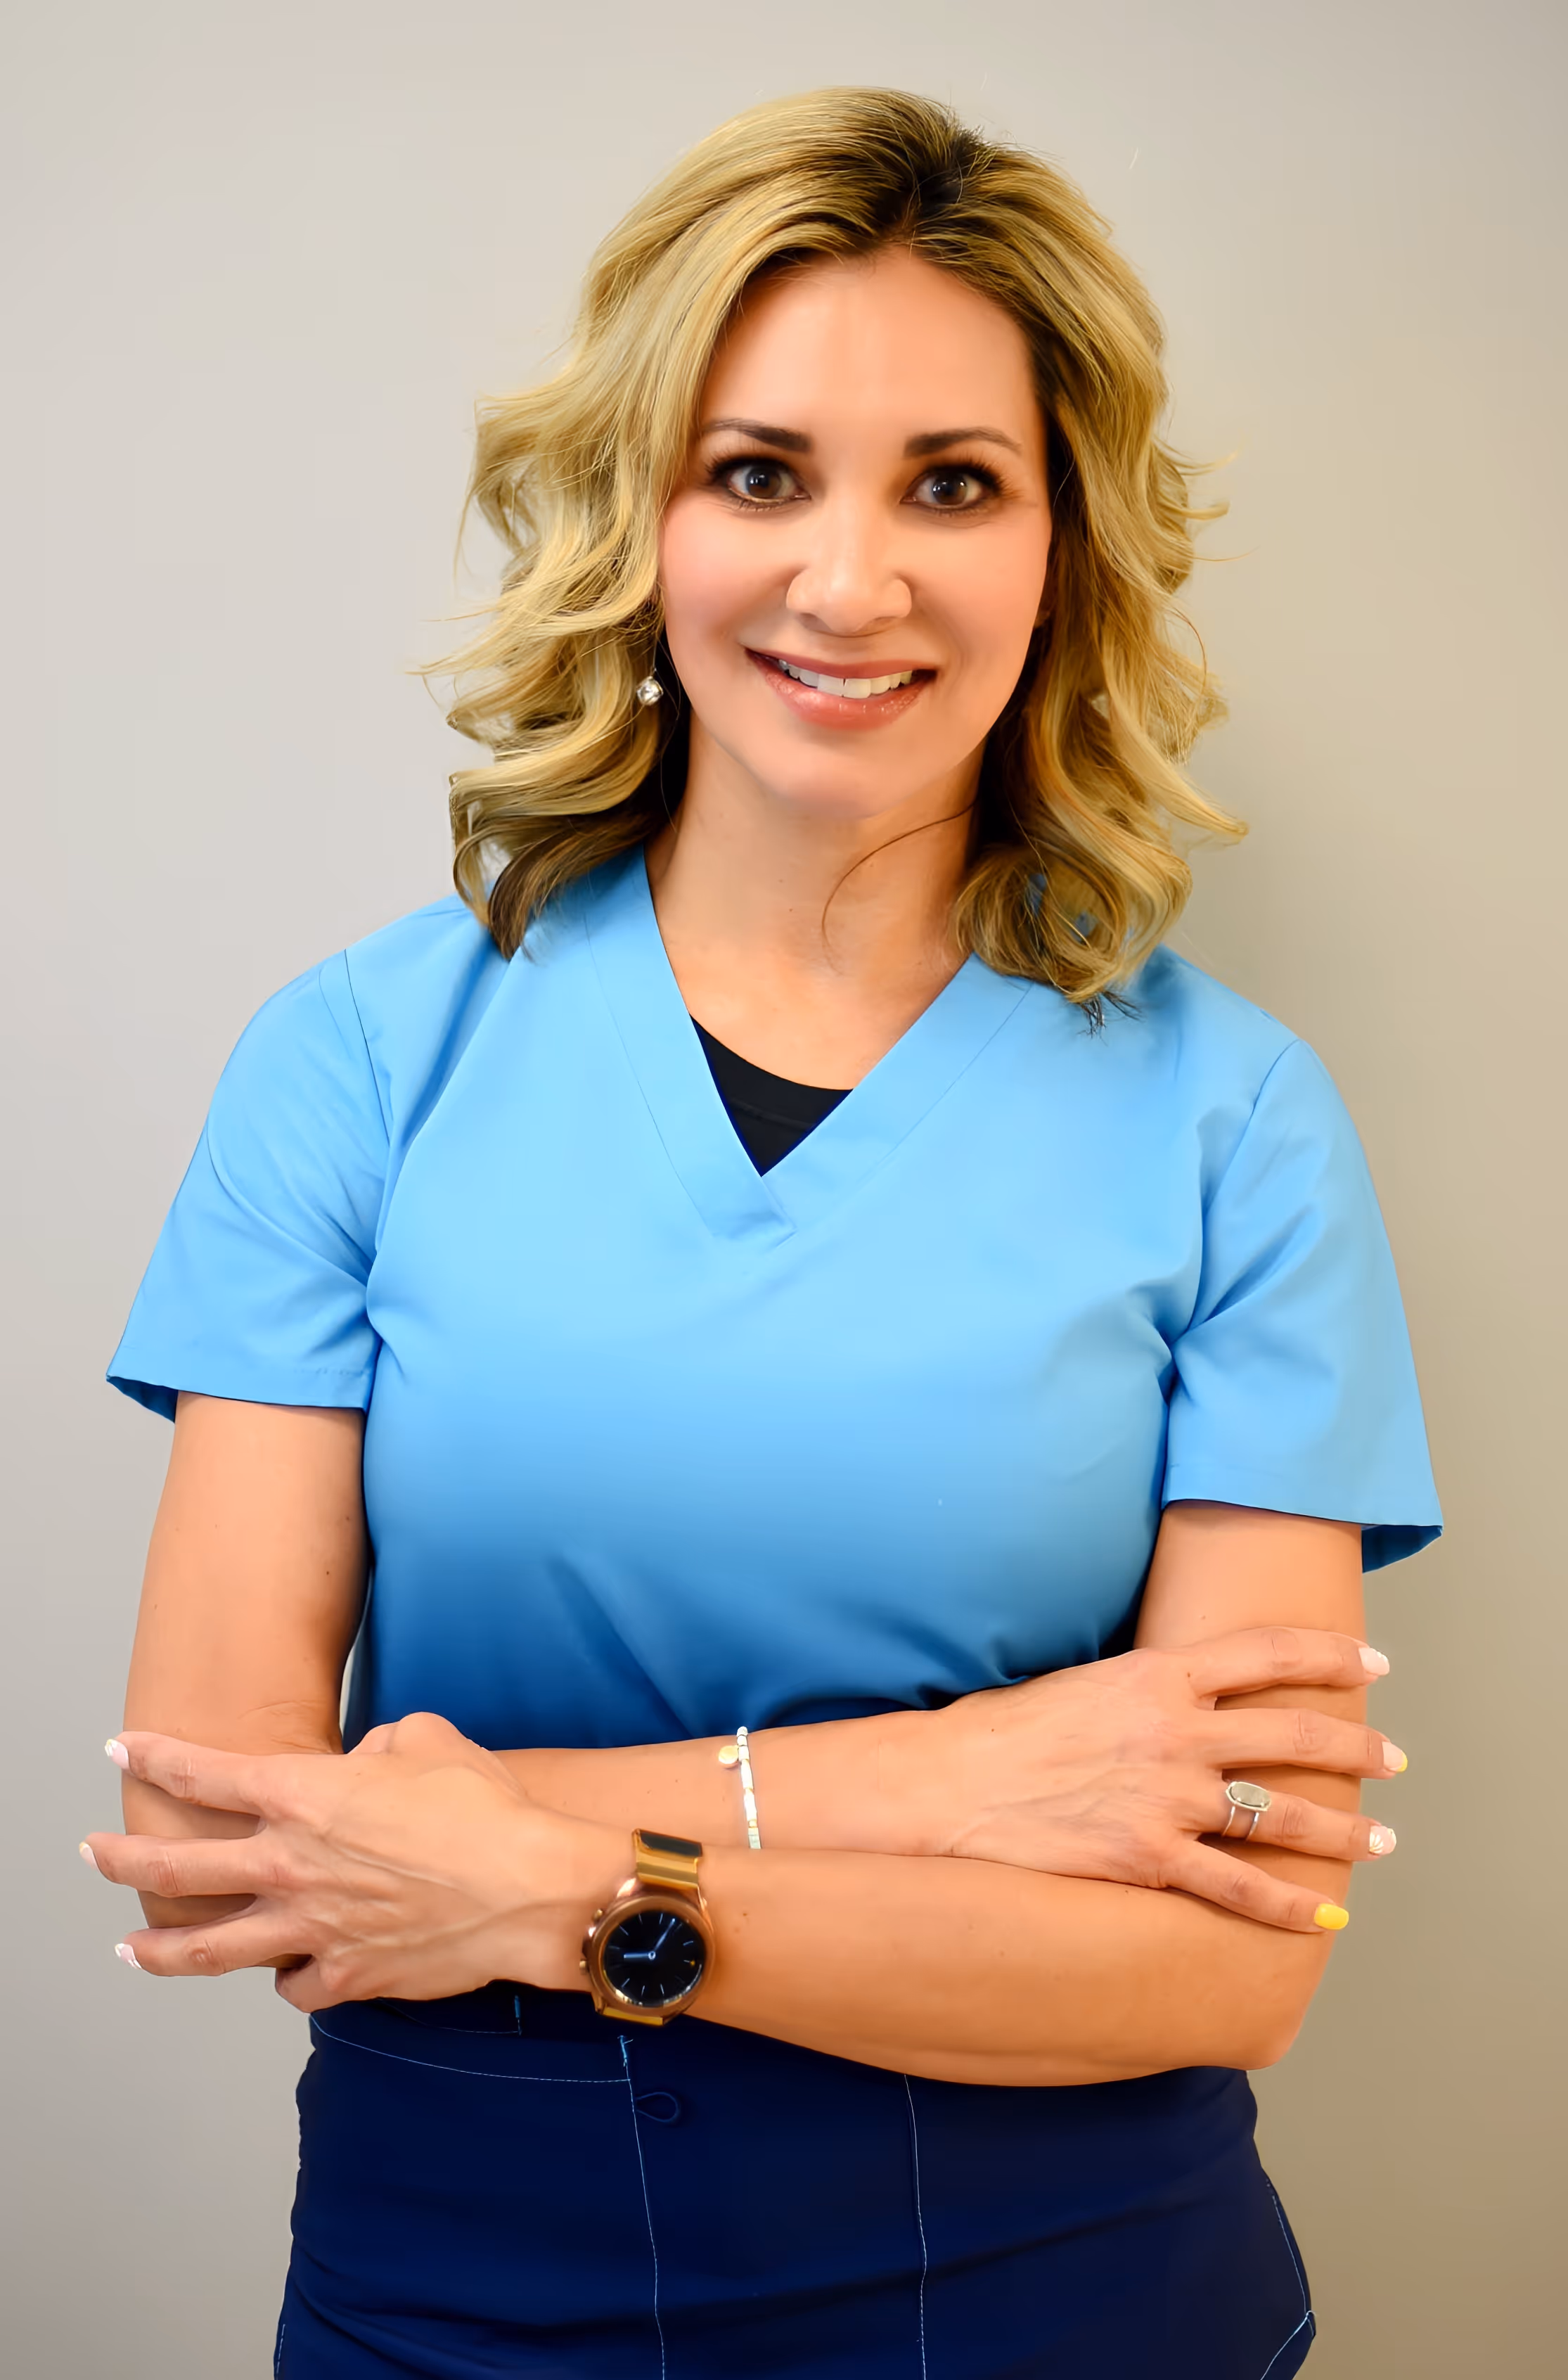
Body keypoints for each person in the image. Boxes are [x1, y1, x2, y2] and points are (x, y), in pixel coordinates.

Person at [84, 87, 1440, 2380]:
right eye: (757, 471)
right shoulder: (357, 1066)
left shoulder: (1234, 1123)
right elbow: (234, 1843)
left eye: (952, 482)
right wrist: (942, 1782)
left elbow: (1230, 1962)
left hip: (1074, 2298)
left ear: (1063, 547)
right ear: (639, 516)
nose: (850, 579)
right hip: (460, 2303)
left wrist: (562, 1880)